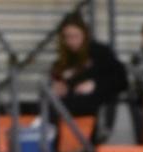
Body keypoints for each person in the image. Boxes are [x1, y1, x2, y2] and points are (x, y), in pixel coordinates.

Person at [49, 11, 128, 140]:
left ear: (85, 35)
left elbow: (121, 80)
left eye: (75, 36)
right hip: (72, 102)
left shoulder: (101, 52)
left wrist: (95, 84)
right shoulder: (62, 61)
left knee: (99, 110)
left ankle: (92, 149)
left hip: (99, 101)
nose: (71, 41)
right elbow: (57, 80)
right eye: (67, 37)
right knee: (49, 106)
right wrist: (57, 87)